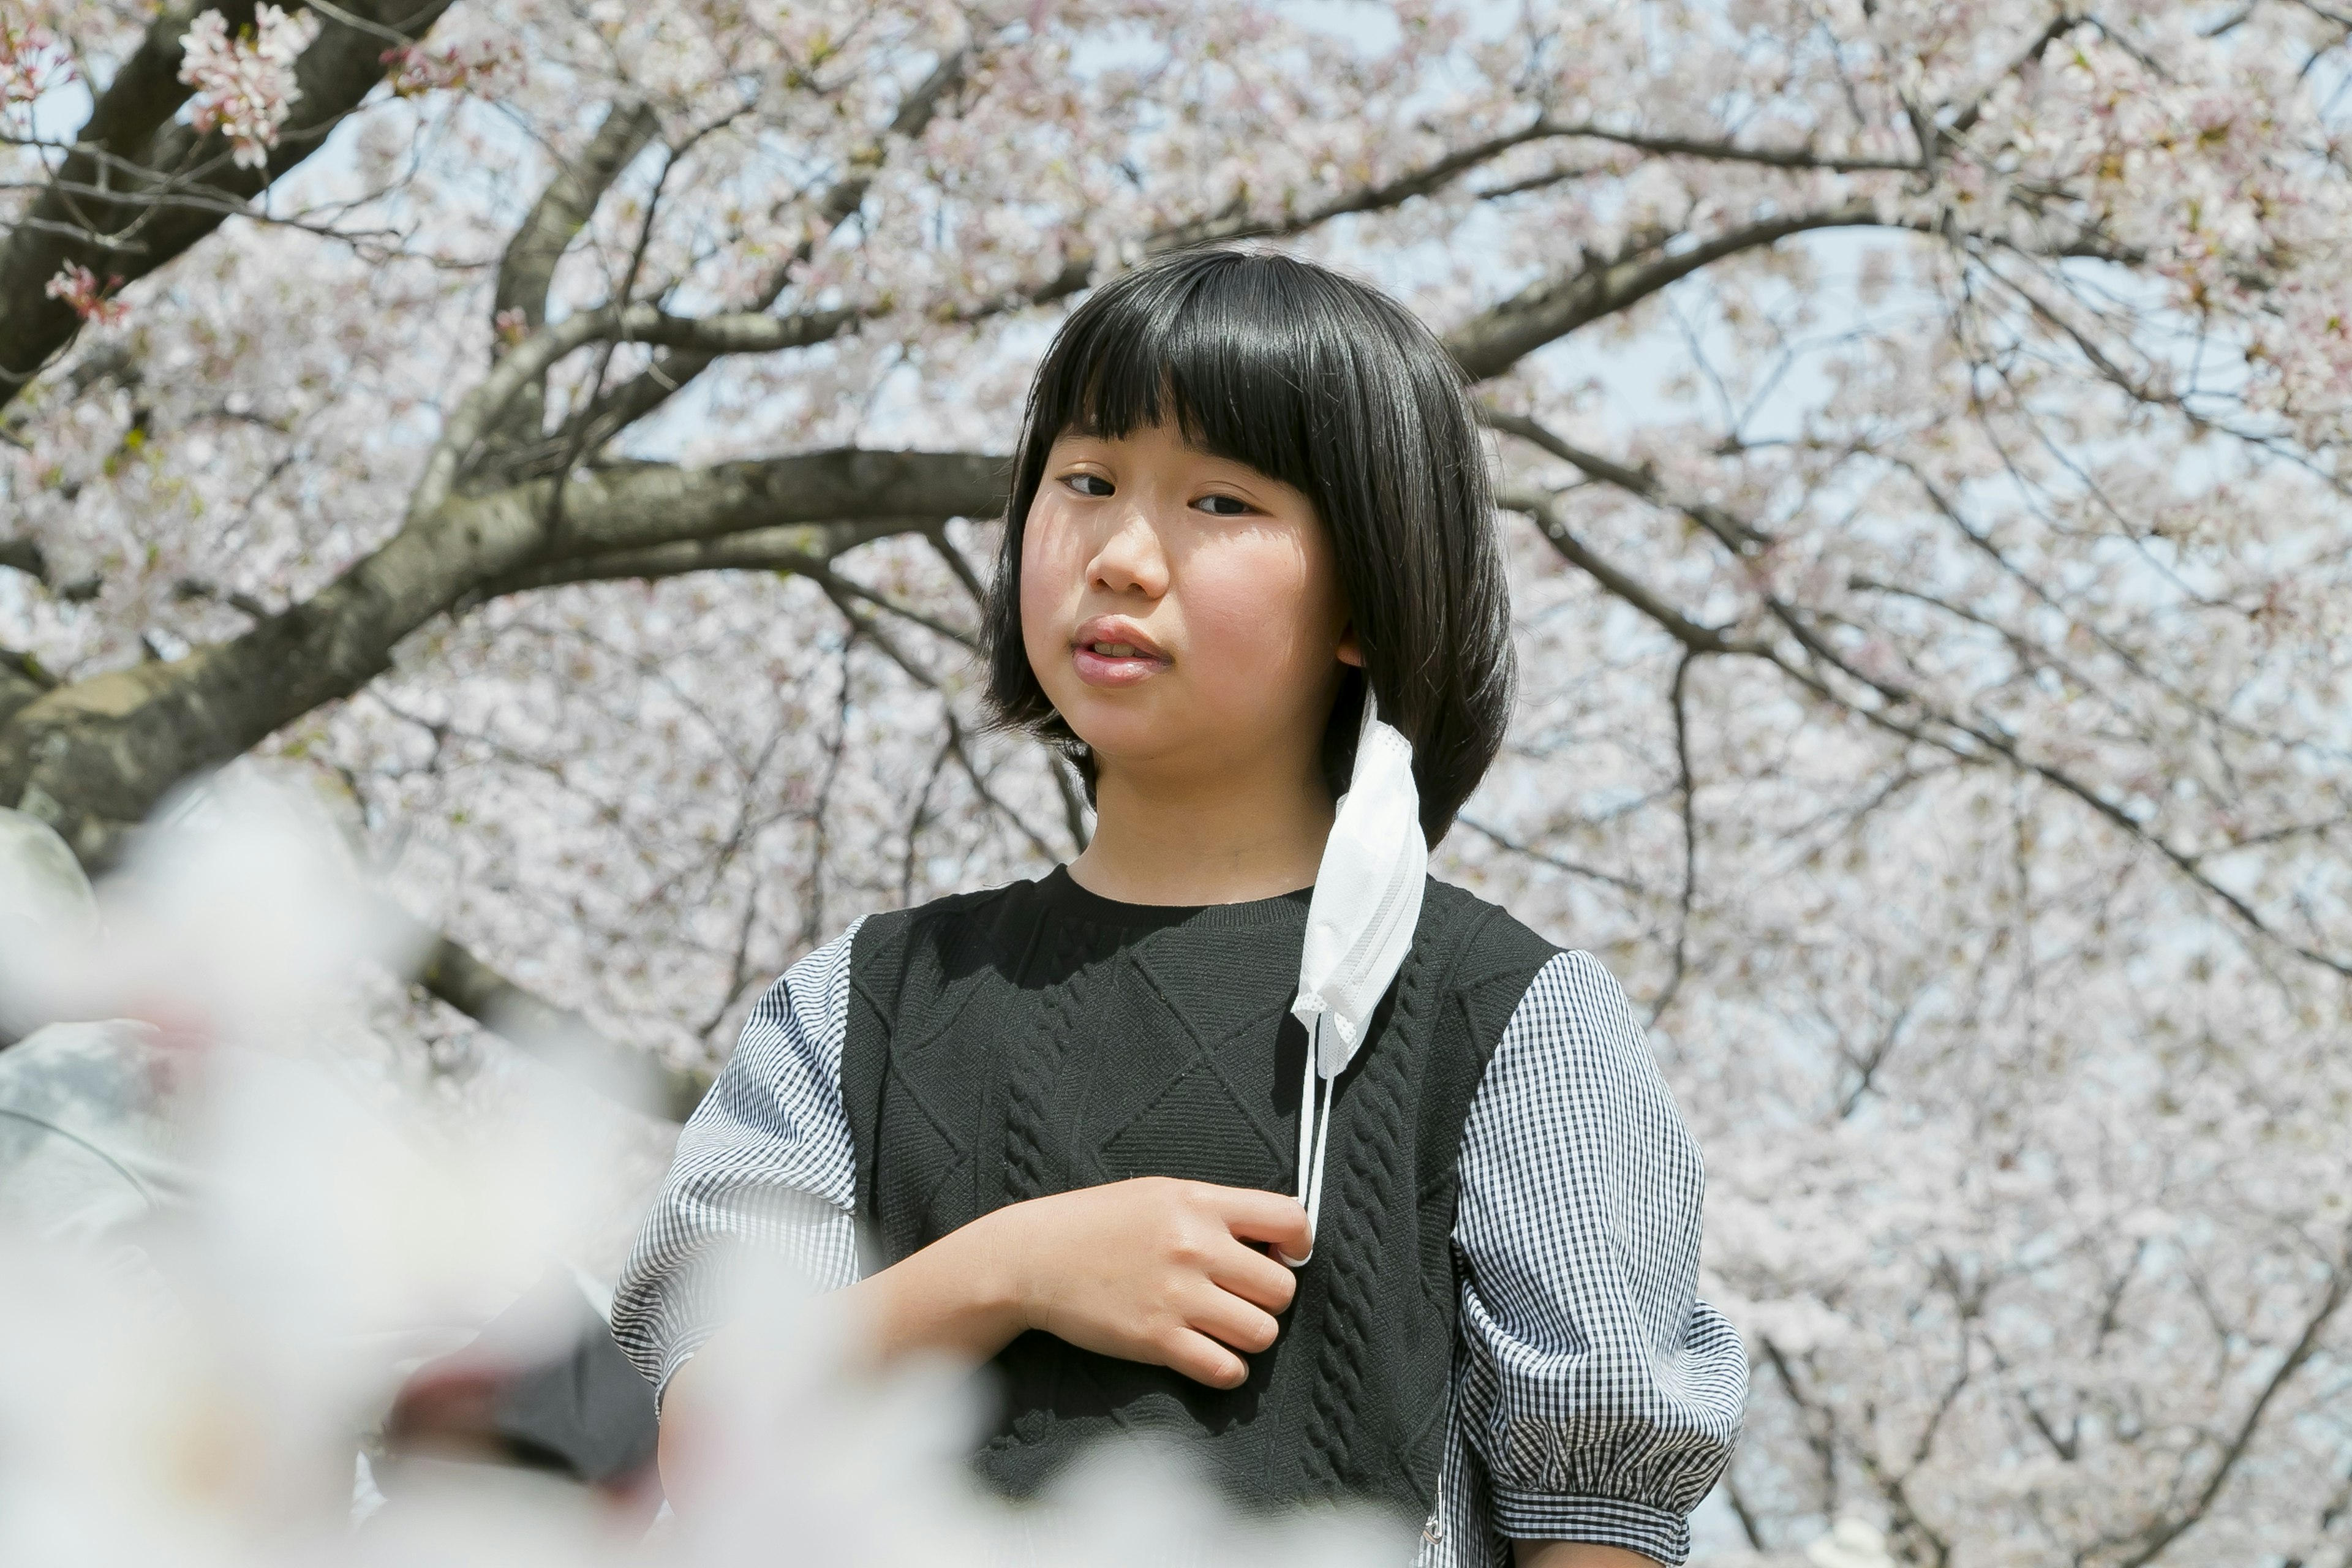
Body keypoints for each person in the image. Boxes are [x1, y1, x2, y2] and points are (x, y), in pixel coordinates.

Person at [610, 247, 1747, 1567]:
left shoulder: (1504, 1019)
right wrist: (1013, 1267)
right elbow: (702, 1427)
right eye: (1085, 481)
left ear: (1369, 599)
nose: (1122, 555)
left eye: (1219, 500)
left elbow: (1594, 1516)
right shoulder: (860, 1001)